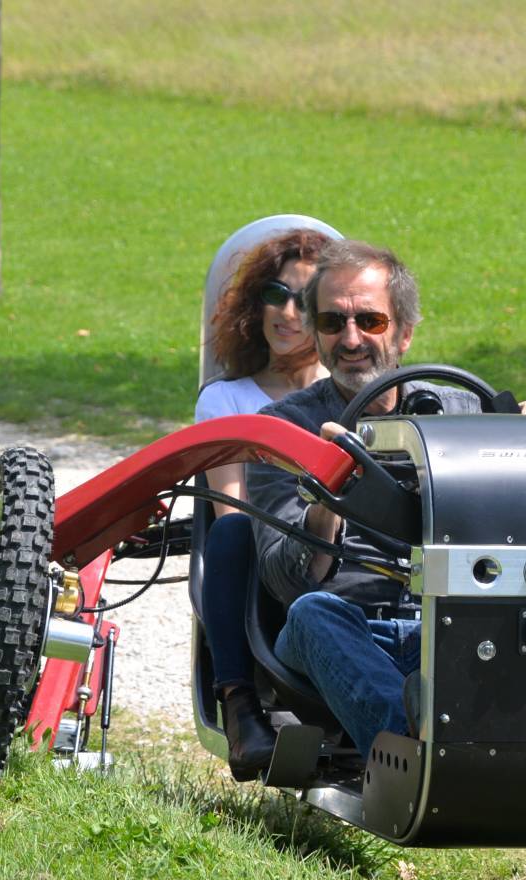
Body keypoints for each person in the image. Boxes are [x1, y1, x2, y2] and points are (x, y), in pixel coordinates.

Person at [246, 239, 526, 759]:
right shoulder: (284, 430)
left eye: (371, 321)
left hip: (449, 626)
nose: (352, 338)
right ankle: (412, 755)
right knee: (316, 613)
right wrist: (325, 497)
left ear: (405, 333)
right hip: (342, 630)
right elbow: (283, 581)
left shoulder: (463, 413)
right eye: (333, 323)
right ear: (316, 337)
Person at [196, 228, 331, 779]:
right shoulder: (227, 399)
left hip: (340, 556)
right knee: (232, 530)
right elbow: (229, 505)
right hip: (263, 560)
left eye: (304, 300)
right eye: (275, 294)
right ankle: (239, 707)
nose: (286, 312)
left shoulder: (357, 394)